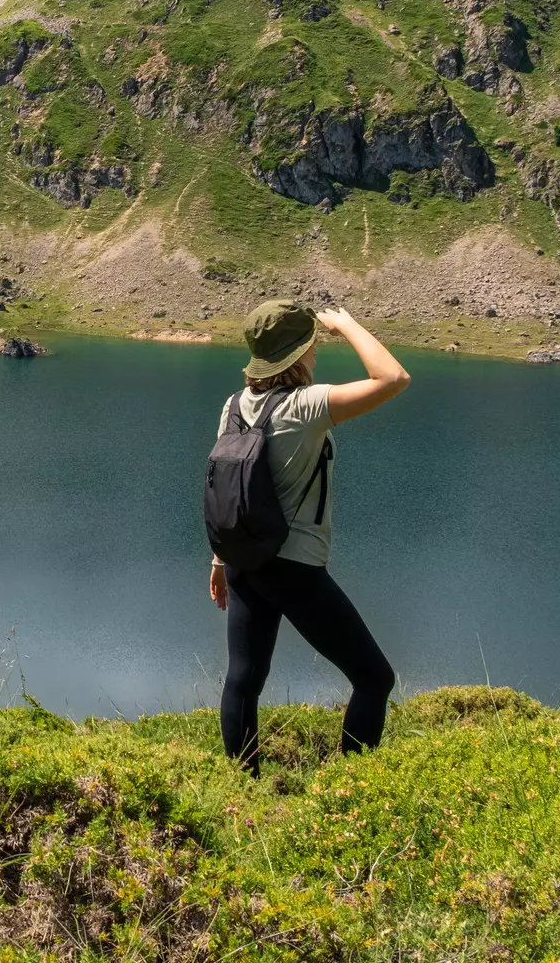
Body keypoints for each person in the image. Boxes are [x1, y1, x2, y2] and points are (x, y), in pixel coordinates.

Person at [210, 300, 409, 772]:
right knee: (374, 678)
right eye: (312, 346)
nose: (317, 353)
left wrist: (219, 560)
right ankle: (352, 790)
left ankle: (243, 790)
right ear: (298, 354)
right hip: (292, 566)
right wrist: (347, 323)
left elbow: (225, 488)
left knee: (244, 679)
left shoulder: (235, 405)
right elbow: (393, 379)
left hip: (242, 558)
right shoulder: (308, 404)